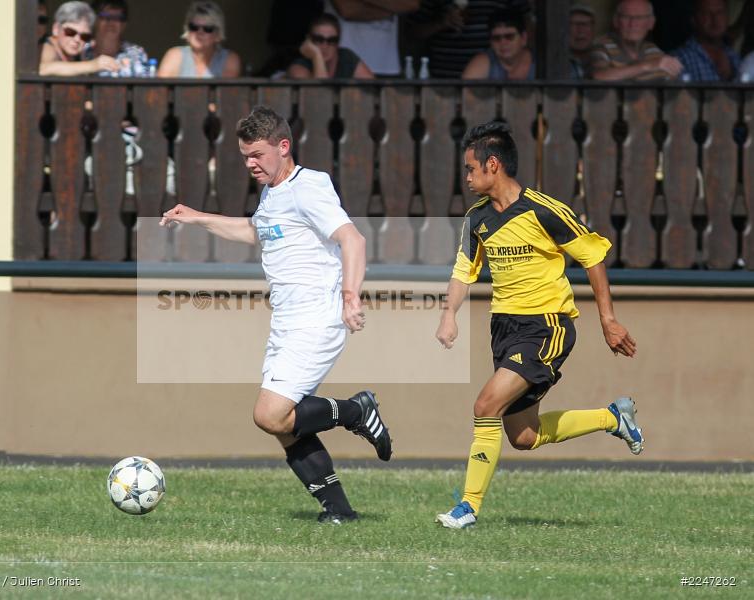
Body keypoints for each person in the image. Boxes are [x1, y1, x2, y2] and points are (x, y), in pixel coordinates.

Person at [159, 106, 393, 524]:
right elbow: (255, 231)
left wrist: (350, 295)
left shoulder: (309, 187)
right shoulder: (273, 192)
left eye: (258, 155)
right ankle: (339, 511)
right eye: (245, 155)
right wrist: (196, 218)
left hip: (316, 318)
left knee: (269, 414)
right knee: (285, 424)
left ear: (284, 147)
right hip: (287, 322)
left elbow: (351, 239)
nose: (250, 163)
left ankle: (357, 411)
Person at [434, 121, 643, 530]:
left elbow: (593, 256)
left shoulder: (543, 210)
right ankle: (613, 417)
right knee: (523, 437)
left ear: (493, 164)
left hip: (547, 326)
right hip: (505, 329)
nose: (467, 176)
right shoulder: (476, 220)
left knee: (484, 407)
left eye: (470, 168)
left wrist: (608, 320)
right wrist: (448, 313)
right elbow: (464, 271)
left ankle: (467, 507)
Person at [406, 0, 530, 79]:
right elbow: (412, 32)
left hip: (495, 73)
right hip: (444, 76)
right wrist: (442, 22)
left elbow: (529, 24)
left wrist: (520, 61)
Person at [590, 0, 683, 80]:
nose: (633, 24)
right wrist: (648, 66)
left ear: (651, 23)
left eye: (639, 18)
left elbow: (675, 88)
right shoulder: (601, 46)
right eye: (626, 17)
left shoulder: (653, 51)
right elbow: (598, 77)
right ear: (616, 21)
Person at [325, 0, 420, 76]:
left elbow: (411, 4)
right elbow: (348, 11)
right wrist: (391, 9)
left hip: (387, 64)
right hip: (346, 63)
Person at [157, 1, 241, 78]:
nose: (200, 32)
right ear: (187, 31)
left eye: (208, 28)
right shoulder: (175, 56)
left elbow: (226, 93)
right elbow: (159, 91)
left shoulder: (229, 59)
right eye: (194, 27)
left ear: (218, 35)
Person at [39, 1, 119, 76]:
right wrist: (92, 65)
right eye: (70, 32)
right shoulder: (48, 47)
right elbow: (43, 68)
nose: (77, 39)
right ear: (56, 29)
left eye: (84, 36)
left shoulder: (78, 55)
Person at [288, 13, 375, 79]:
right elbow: (319, 97)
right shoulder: (298, 67)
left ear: (338, 42)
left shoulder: (346, 57)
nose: (325, 45)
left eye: (332, 40)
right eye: (318, 39)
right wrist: (317, 56)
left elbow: (374, 90)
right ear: (309, 40)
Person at [672, 0, 740, 81]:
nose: (715, 18)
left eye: (720, 12)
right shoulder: (680, 59)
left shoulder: (734, 56)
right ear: (693, 19)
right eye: (706, 13)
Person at [462, 8, 535, 80]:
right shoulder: (481, 63)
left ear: (523, 38)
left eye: (509, 36)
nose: (503, 43)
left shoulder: (541, 63)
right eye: (496, 38)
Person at [86, 0, 149, 77]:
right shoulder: (82, 49)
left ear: (124, 24)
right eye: (105, 16)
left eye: (117, 18)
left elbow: (144, 87)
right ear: (94, 20)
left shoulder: (136, 53)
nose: (111, 23)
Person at [569, 4, 596, 78]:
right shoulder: (554, 62)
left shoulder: (603, 57)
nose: (580, 30)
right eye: (574, 24)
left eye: (585, 24)